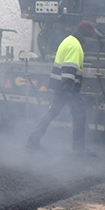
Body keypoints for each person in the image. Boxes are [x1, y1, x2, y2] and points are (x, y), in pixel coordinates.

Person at [27, 20, 96, 152]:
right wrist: (68, 90)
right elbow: (69, 68)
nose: (90, 40)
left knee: (52, 112)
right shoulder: (75, 46)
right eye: (90, 36)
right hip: (68, 88)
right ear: (86, 35)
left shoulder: (68, 40)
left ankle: (32, 140)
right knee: (79, 113)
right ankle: (78, 148)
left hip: (61, 86)